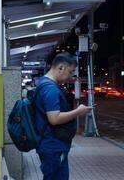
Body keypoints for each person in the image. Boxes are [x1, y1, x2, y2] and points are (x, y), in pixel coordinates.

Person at [34, 52, 92, 180]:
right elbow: (54, 119)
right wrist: (78, 111)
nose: (70, 76)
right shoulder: (50, 89)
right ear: (60, 67)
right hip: (53, 145)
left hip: (50, 144)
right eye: (70, 72)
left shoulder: (44, 83)